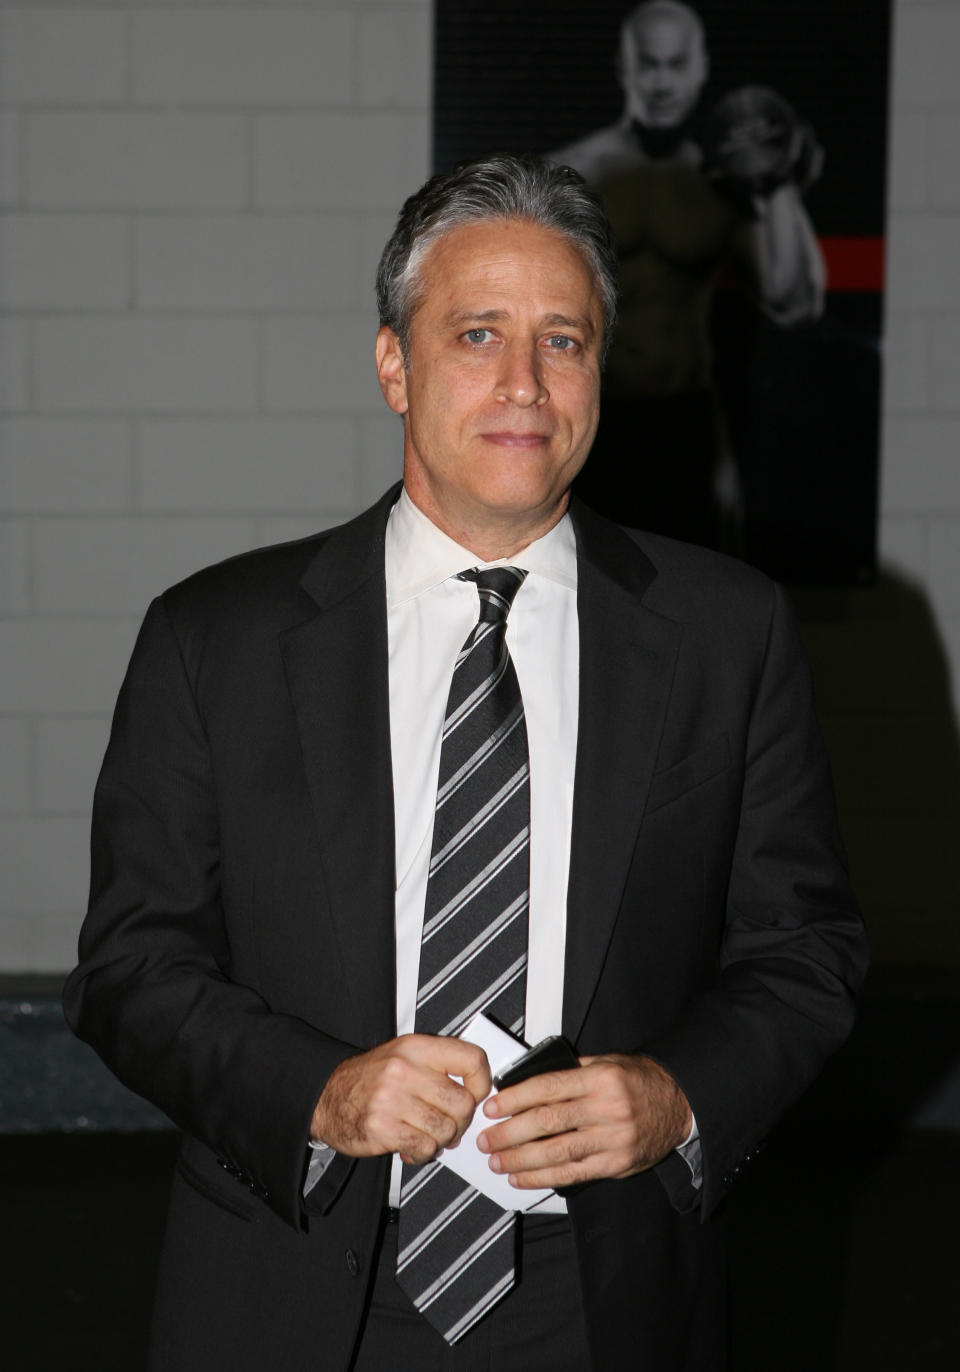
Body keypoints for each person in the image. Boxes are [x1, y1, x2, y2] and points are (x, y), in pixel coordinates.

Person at [64, 153, 866, 1371]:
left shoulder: (727, 633)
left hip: (608, 1301)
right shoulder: (212, 639)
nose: (525, 385)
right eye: (478, 333)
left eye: (565, 340)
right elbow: (128, 967)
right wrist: (320, 1095)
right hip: (289, 1281)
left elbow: (806, 954)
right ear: (395, 363)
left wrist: (678, 1096)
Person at [552, 0, 826, 545]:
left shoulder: (720, 187)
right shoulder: (571, 174)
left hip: (686, 424)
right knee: (588, 611)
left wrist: (780, 188)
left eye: (676, 65)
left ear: (700, 69)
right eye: (648, 64)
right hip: (592, 424)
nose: (661, 82)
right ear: (624, 68)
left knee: (693, 611)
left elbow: (791, 300)